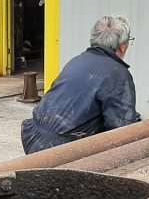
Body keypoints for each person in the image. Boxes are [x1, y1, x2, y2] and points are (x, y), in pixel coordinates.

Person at [21, 14, 141, 154]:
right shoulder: (118, 74)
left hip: (32, 134)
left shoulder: (77, 60)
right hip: (61, 147)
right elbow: (123, 131)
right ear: (123, 46)